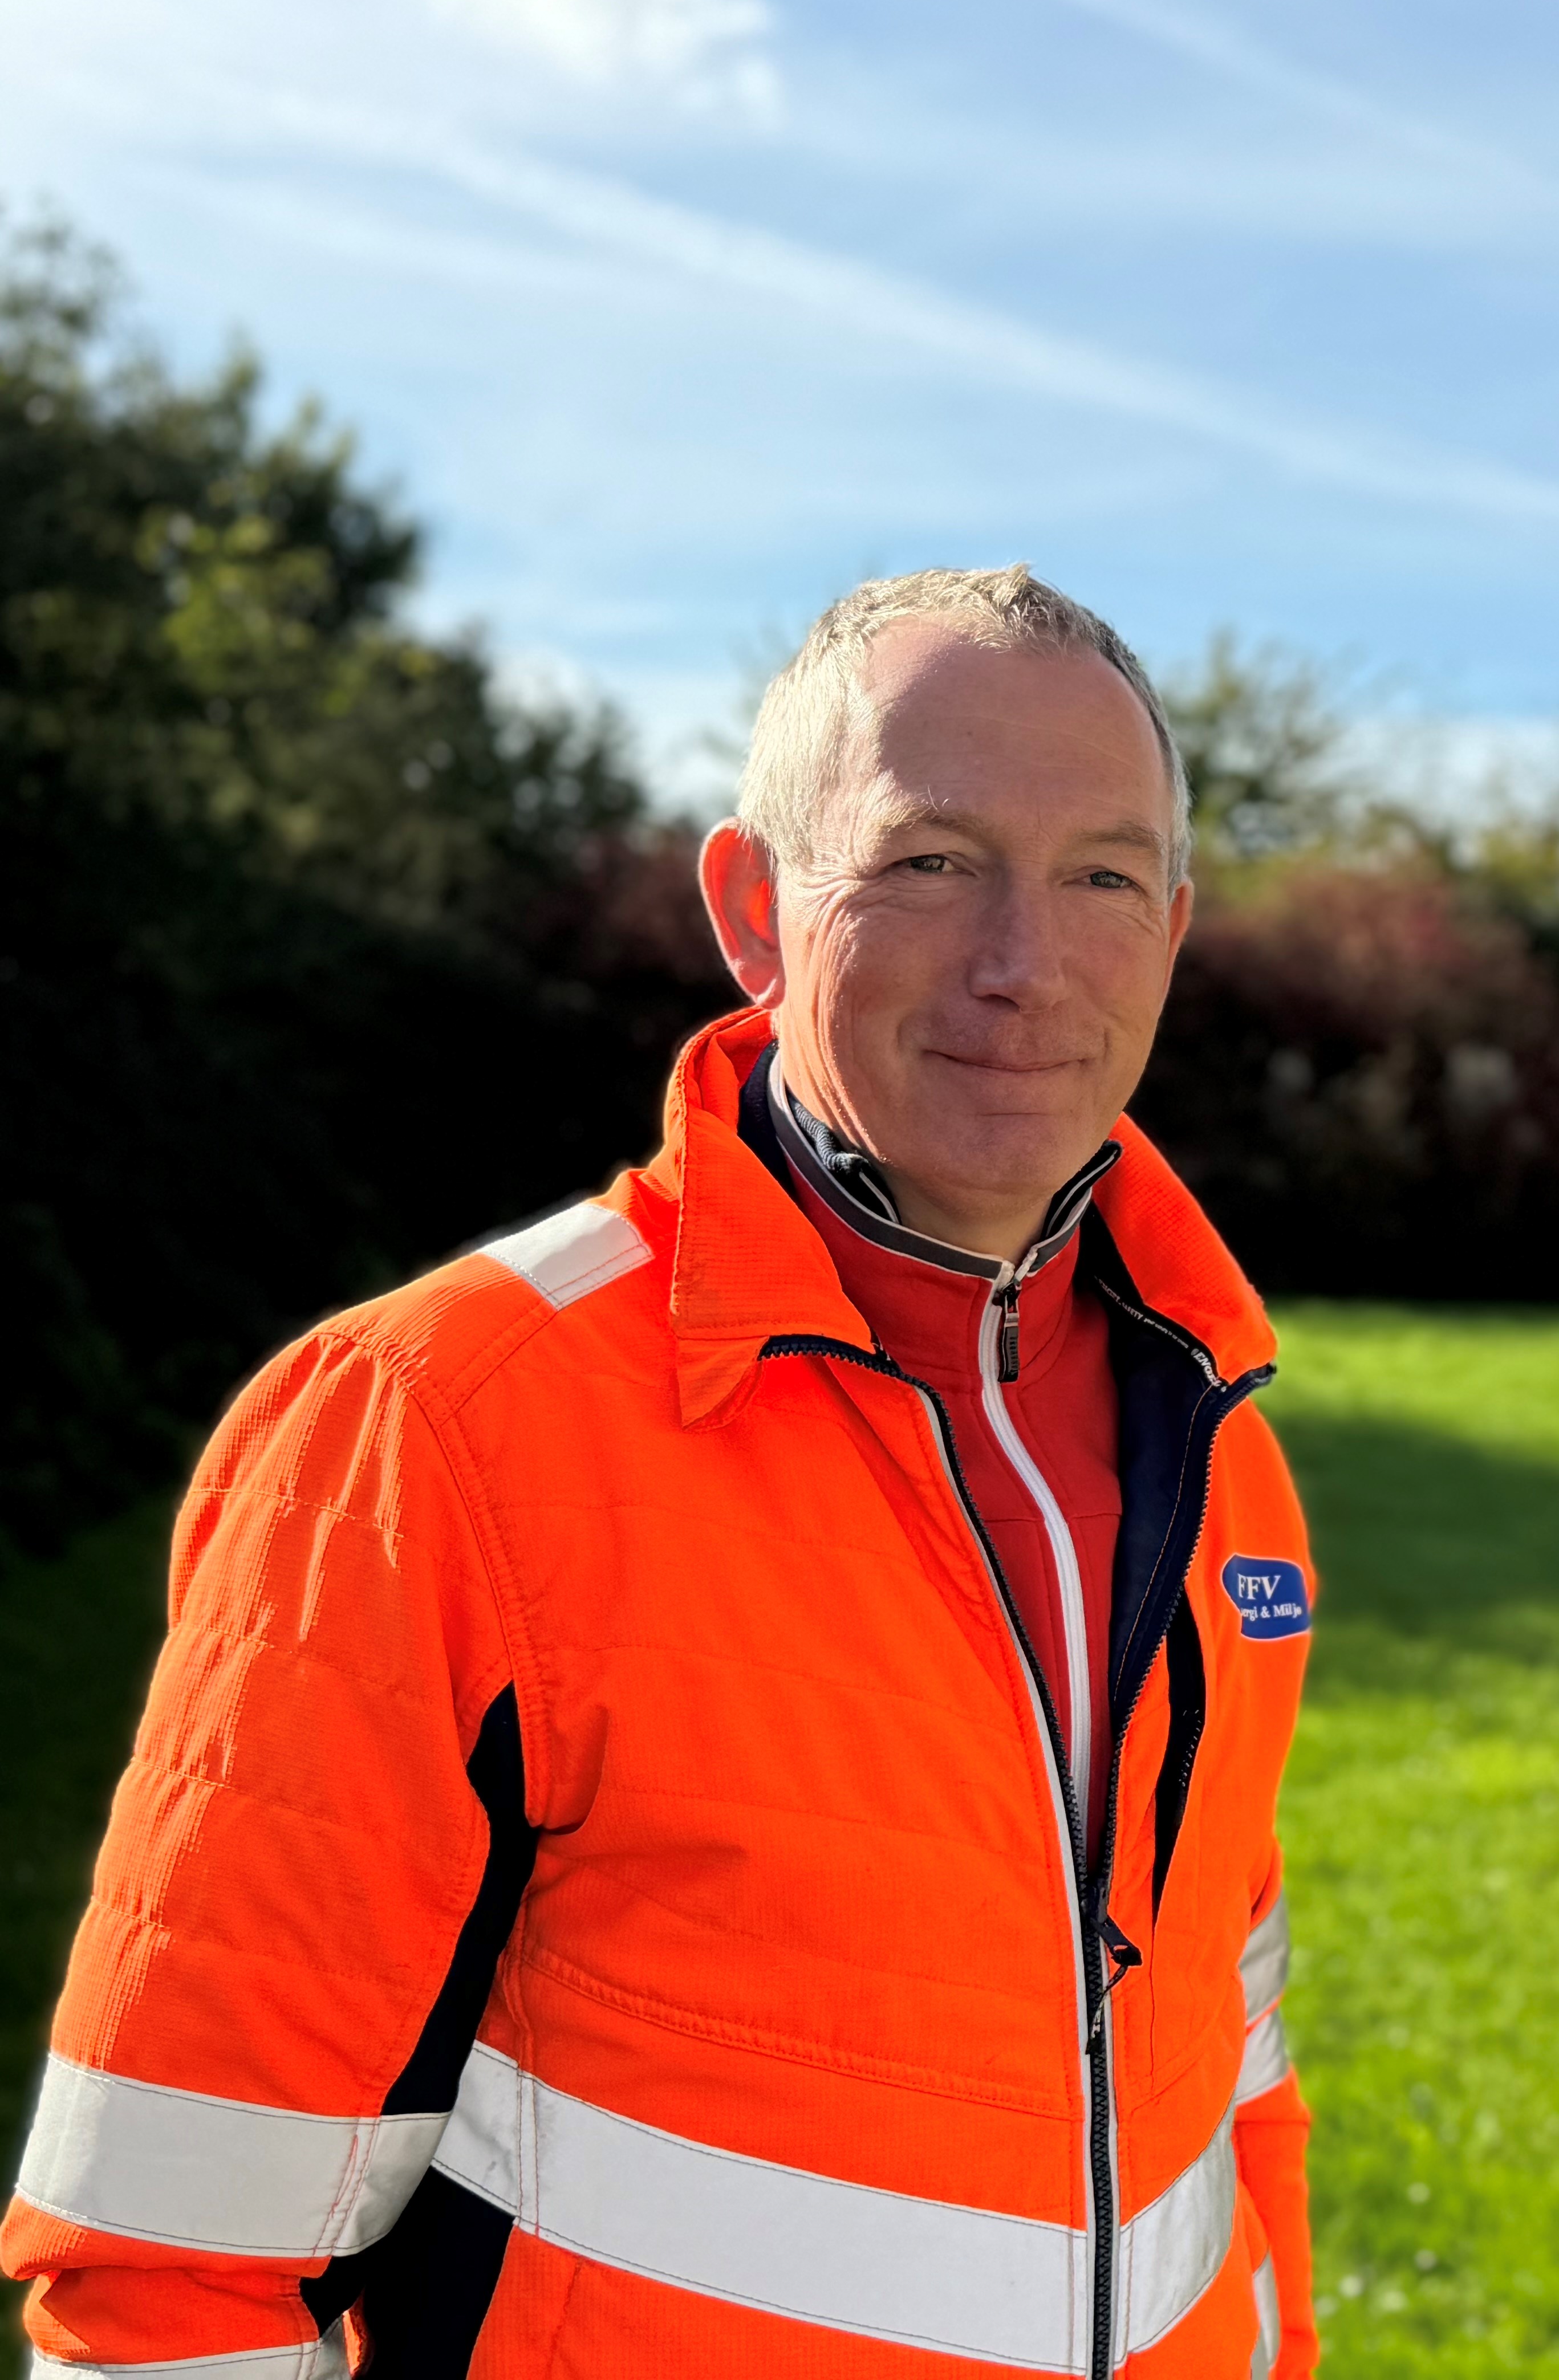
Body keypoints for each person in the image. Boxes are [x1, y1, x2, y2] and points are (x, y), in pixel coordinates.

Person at [5, 567, 1320, 2379]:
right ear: (753, 910)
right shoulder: (436, 1423)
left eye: (1101, 874)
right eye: (929, 858)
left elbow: (1230, 2078)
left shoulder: (1221, 1452)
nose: (1026, 962)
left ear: (1171, 930)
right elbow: (171, 2267)